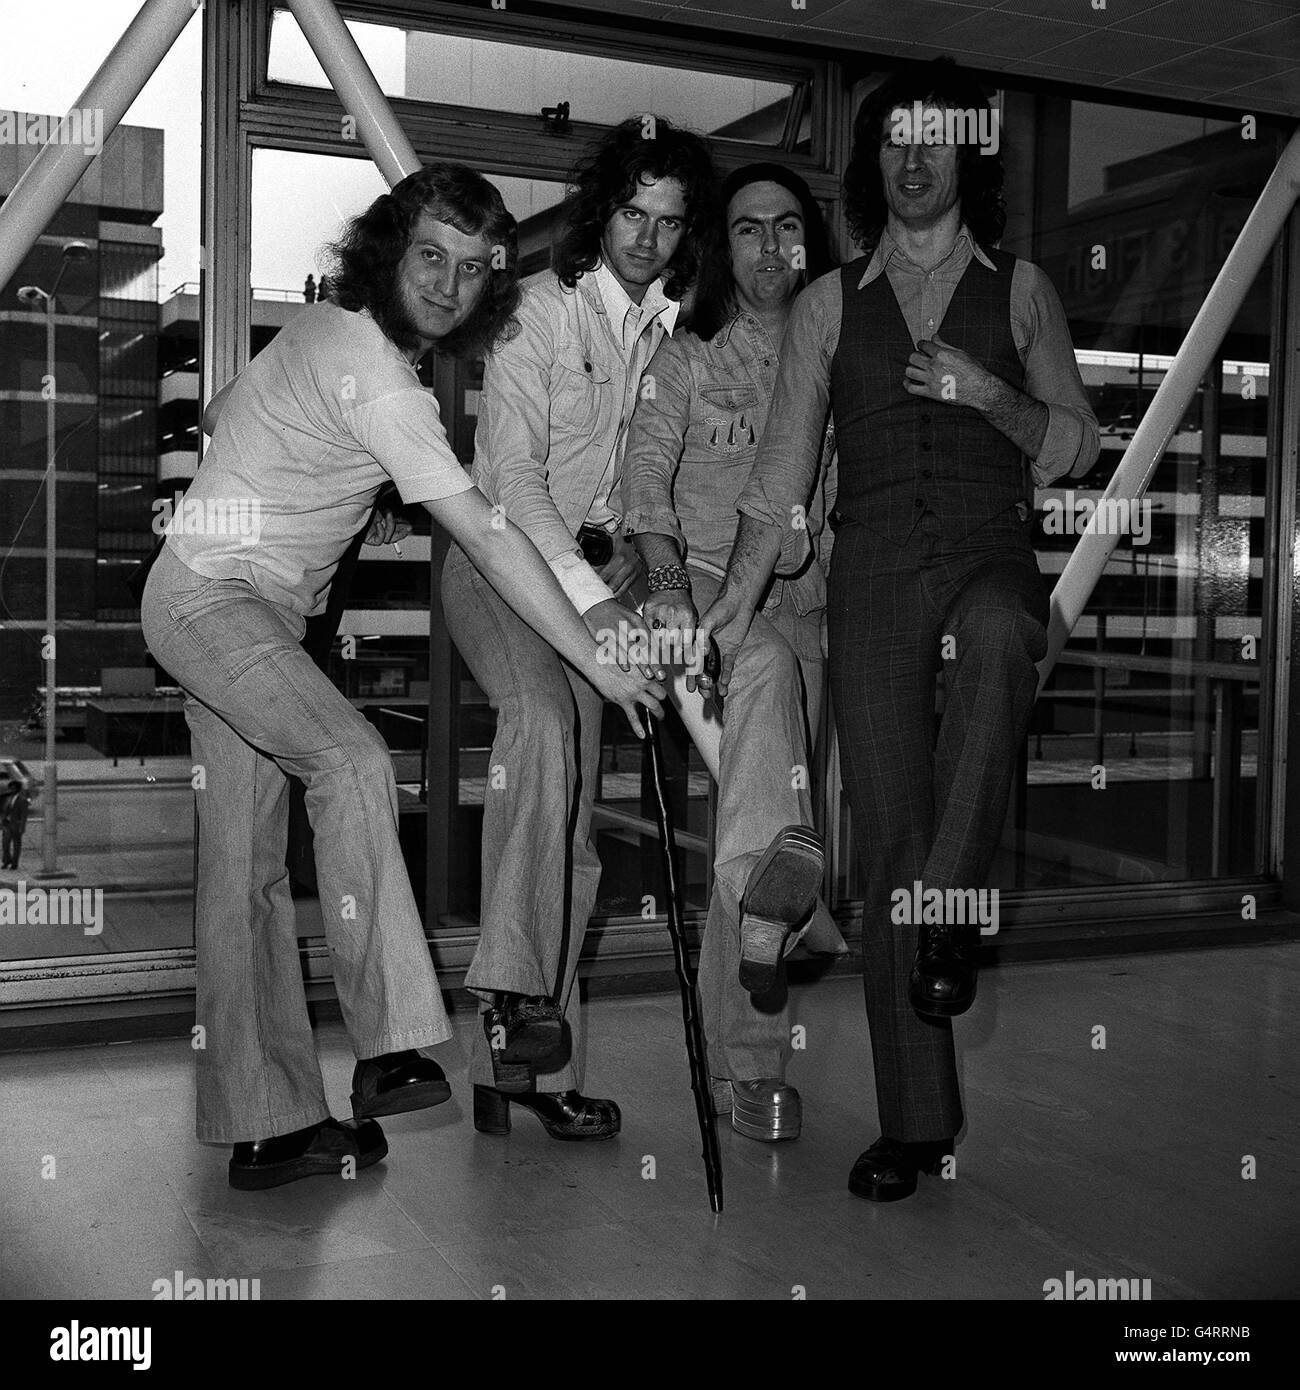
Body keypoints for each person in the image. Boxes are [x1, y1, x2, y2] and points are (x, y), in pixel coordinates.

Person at [140, 163, 663, 1190]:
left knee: (242, 868)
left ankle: (270, 1124)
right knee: (353, 760)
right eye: (430, 254)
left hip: (221, 600)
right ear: (389, 250)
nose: (447, 282)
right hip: (215, 602)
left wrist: (342, 484)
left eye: (472, 269)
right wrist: (601, 659)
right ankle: (390, 1047)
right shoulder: (382, 376)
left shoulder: (326, 338)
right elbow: (488, 528)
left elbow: (224, 418)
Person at [700, 60, 1099, 1199]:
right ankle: (916, 1122)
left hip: (986, 546)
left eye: (932, 140)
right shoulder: (828, 302)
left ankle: (949, 919)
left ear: (969, 157)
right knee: (885, 837)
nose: (911, 160)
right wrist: (735, 588)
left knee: (1003, 635)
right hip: (870, 566)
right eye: (891, 144)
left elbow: (1075, 442)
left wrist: (992, 396)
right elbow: (782, 468)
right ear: (874, 166)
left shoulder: (1019, 291)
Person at [440, 115, 722, 1142]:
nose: (645, 237)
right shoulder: (535, 315)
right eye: (632, 212)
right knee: (543, 730)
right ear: (603, 210)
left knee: (572, 824)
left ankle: (527, 1073)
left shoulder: (674, 336)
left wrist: (647, 581)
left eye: (667, 221)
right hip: (502, 564)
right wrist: (596, 610)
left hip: (603, 575)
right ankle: (514, 995)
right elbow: (511, 484)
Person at [621, 162, 844, 1142]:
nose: (767, 248)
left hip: (806, 605)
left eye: (786, 227)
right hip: (699, 585)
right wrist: (669, 594)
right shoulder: (687, 357)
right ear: (723, 247)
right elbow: (641, 490)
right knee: (763, 733)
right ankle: (751, 1065)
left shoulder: (843, 361)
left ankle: (741, 1046)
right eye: (747, 229)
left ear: (810, 245)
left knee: (771, 824)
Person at [1, 778, 28, 870]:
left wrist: (22, 827)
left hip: (16, 825)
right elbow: (5, 810)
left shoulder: (22, 800)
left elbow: (24, 815)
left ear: (17, 789)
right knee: (5, 844)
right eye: (10, 788)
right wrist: (3, 820)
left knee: (16, 845)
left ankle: (14, 863)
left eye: (13, 788)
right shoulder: (9, 798)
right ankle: (6, 860)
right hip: (7, 824)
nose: (11, 790)